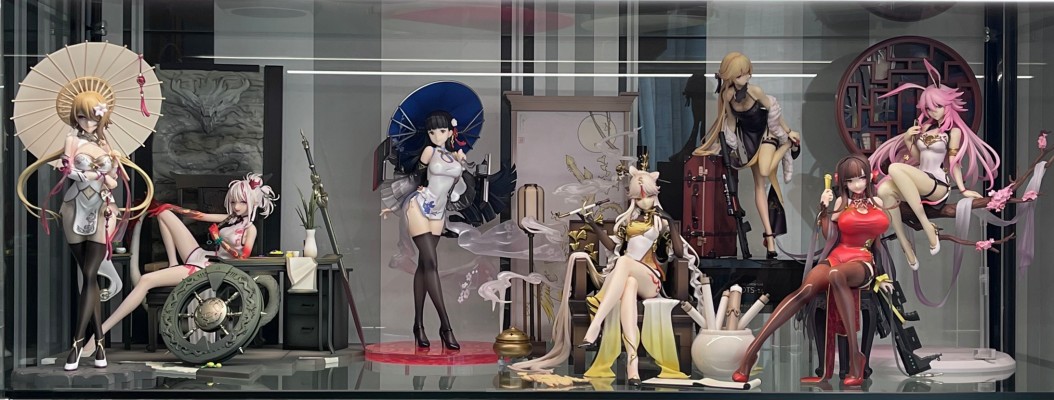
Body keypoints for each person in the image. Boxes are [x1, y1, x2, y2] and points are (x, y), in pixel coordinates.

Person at [732, 154, 894, 386]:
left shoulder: (877, 202)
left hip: (863, 260)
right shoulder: (841, 203)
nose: (857, 184)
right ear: (843, 182)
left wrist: (883, 275)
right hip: (837, 256)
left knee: (837, 275)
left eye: (861, 178)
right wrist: (824, 208)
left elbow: (880, 240)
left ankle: (855, 358)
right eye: (850, 180)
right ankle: (751, 353)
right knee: (805, 290)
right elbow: (830, 235)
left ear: (869, 177)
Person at [81, 173, 277, 357]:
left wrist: (219, 240)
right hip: (202, 255)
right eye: (233, 202)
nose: (236, 206)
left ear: (253, 203)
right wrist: (173, 207)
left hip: (212, 268)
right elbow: (200, 215)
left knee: (146, 280)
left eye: (242, 202)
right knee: (163, 213)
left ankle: (100, 334)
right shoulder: (230, 218)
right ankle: (173, 262)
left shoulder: (250, 229)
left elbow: (242, 257)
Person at [868, 58, 999, 269]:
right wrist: (908, 140)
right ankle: (905, 244)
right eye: (928, 108)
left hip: (937, 185)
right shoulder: (926, 129)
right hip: (920, 181)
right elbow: (920, 160)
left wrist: (963, 189)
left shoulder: (953, 132)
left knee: (894, 168)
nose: (932, 111)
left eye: (937, 106)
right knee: (883, 190)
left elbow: (954, 162)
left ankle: (927, 225)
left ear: (948, 105)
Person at [693, 52, 802, 258]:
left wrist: (788, 132)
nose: (746, 77)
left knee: (765, 170)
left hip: (767, 132)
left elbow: (774, 111)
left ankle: (786, 146)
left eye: (747, 73)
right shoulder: (727, 96)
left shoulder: (755, 91)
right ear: (730, 76)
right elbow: (731, 122)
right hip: (749, 139)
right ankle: (769, 238)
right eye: (740, 74)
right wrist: (730, 143)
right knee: (759, 186)